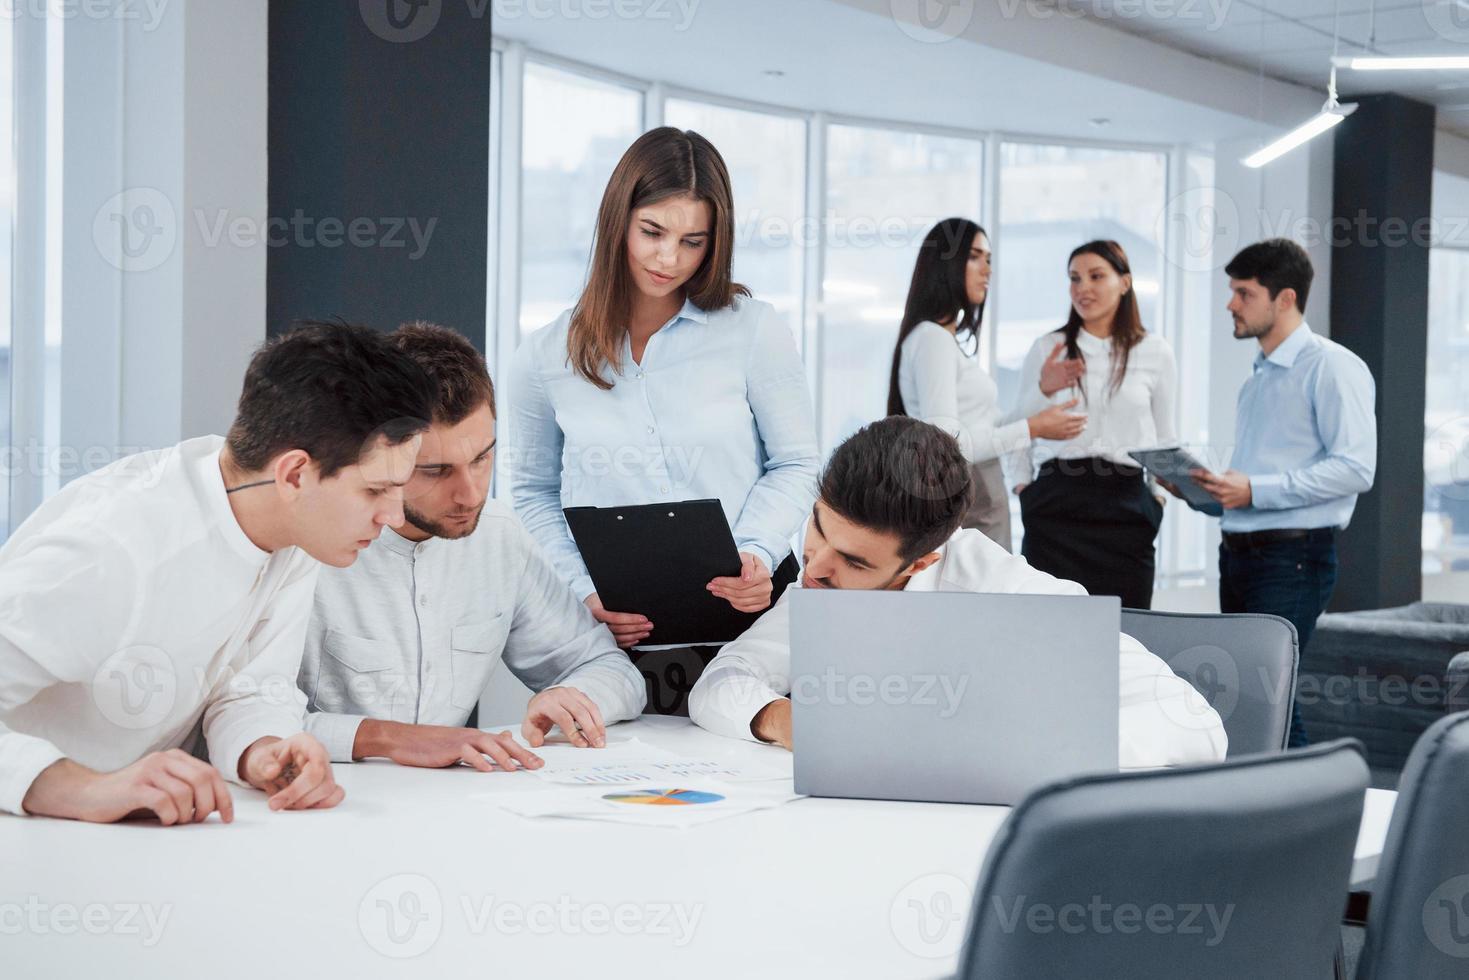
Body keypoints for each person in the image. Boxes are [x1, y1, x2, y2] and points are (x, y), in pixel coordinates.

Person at [0, 321, 438, 824]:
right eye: (375, 490)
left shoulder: (292, 527)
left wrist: (264, 750)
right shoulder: (112, 548)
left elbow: (253, 686)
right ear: (294, 474)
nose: (396, 517)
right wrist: (79, 788)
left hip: (134, 839)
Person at [688, 417, 1227, 767]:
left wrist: (1006, 745)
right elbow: (721, 683)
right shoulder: (818, 582)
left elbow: (1195, 727)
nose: (815, 567)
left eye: (855, 560)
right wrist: (786, 720)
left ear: (923, 558)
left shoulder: (1010, 593)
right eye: (818, 527)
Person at [510, 126, 820, 713]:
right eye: (652, 232)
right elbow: (531, 491)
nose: (668, 259)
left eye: (693, 241)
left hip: (749, 608)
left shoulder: (754, 330)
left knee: (763, 766)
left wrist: (757, 550)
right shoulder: (544, 356)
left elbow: (796, 460)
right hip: (622, 625)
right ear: (618, 219)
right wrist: (583, 591)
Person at [299, 322, 646, 770]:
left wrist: (573, 696)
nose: (470, 494)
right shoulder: (307, 547)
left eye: (482, 458)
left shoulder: (499, 536)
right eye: (435, 471)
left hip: (449, 812)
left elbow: (613, 671)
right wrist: (388, 739)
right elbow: (243, 716)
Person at [1166, 238, 1375, 747]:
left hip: (1293, 558)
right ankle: (1274, 807)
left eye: (1243, 293)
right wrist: (1207, 491)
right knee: (1246, 694)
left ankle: (1316, 806)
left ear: (1284, 299)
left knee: (1269, 697)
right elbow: (1258, 481)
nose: (1230, 304)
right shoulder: (1258, 378)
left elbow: (1356, 468)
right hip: (1240, 554)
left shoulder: (1331, 366)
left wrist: (1255, 490)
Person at [889, 217, 1086, 551]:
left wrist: (1042, 391)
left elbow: (985, 427)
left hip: (981, 501)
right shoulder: (932, 339)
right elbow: (948, 447)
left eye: (990, 260)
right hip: (972, 506)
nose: (987, 270)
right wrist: (1033, 428)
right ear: (945, 264)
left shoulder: (943, 342)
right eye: (975, 257)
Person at [1009, 240, 1178, 609]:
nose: (1082, 288)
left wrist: (1158, 501)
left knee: (1129, 634)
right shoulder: (1048, 347)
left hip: (1126, 508)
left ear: (1125, 282)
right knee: (1048, 628)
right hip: (1056, 503)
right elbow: (1021, 426)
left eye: (1096, 276)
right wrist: (1024, 489)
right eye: (1074, 278)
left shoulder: (1155, 351)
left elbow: (1164, 437)